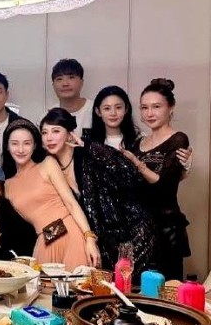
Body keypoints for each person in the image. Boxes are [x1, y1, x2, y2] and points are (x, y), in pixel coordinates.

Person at [40, 107, 156, 277]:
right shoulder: (51, 167)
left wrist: (88, 145)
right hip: (102, 241)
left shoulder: (88, 154)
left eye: (56, 131)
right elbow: (65, 209)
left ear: (69, 134)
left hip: (133, 232)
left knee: (132, 287)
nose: (49, 137)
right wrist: (44, 238)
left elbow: (125, 169)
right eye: (44, 132)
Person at [3, 118, 101, 270]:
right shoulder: (7, 186)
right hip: (45, 239)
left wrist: (89, 238)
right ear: (7, 147)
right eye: (15, 143)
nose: (21, 149)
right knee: (42, 284)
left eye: (27, 143)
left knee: (77, 283)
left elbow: (71, 203)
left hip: (70, 233)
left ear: (35, 145)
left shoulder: (47, 164)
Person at [121, 78, 191, 280]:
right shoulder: (138, 143)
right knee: (135, 290)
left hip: (165, 229)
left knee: (165, 289)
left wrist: (138, 164)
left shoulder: (178, 139)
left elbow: (164, 187)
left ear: (171, 108)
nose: (149, 113)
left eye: (156, 106)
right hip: (138, 230)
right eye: (144, 108)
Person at [50, 58, 93, 136]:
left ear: (81, 82)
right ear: (53, 86)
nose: (65, 83)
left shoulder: (96, 111)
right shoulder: (47, 116)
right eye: (59, 79)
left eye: (71, 77)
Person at [90, 85, 139, 149]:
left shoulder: (139, 139)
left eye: (118, 107)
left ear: (126, 109)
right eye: (107, 108)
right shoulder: (88, 142)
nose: (113, 113)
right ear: (98, 111)